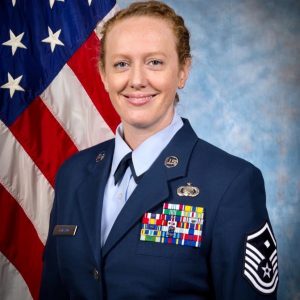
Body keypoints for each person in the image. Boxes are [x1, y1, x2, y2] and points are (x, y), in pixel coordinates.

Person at [39, 1, 279, 299]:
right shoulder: (73, 173)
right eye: (121, 64)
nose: (137, 80)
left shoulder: (232, 184)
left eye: (154, 62)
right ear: (103, 75)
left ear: (182, 71)